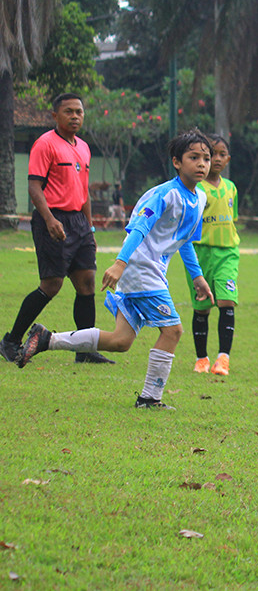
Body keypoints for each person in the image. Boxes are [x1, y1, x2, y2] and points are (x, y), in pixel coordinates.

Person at [16, 130, 215, 410]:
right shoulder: (165, 194)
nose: (202, 164)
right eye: (193, 157)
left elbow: (184, 242)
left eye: (206, 158)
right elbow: (139, 228)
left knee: (121, 341)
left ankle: (47, 339)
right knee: (172, 331)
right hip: (140, 269)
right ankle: (149, 399)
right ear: (177, 162)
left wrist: (197, 277)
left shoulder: (201, 198)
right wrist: (121, 263)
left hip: (148, 271)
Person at [1, 93, 114, 365]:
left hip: (79, 222)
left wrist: (89, 229)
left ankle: (85, 351)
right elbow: (34, 187)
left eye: (79, 112)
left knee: (86, 282)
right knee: (51, 285)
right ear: (55, 116)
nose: (75, 116)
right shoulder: (45, 144)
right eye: (69, 112)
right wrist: (50, 220)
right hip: (53, 218)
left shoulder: (84, 147)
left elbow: (83, 191)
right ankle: (11, 341)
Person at [185, 134, 240, 377]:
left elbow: (233, 219)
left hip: (227, 253)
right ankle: (201, 359)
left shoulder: (231, 188)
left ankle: (223, 359)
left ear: (227, 159)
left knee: (227, 302)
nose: (215, 159)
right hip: (200, 255)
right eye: (210, 155)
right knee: (202, 308)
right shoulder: (196, 190)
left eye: (220, 154)